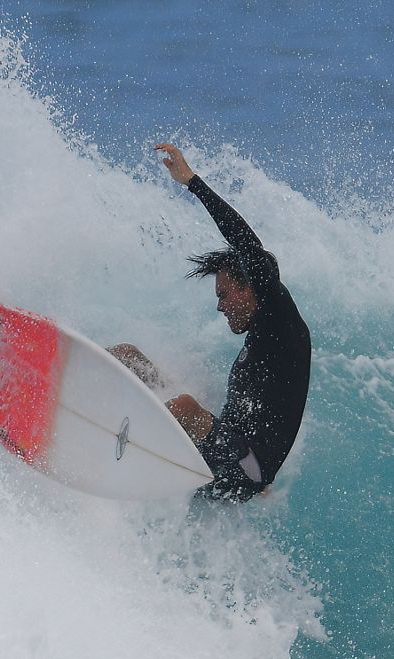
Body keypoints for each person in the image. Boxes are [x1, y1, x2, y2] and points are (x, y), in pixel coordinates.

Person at [108, 143, 311, 502]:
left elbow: (248, 245)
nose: (220, 307)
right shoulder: (261, 338)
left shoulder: (281, 323)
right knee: (128, 356)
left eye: (223, 295)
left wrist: (191, 182)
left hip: (247, 473)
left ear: (252, 288)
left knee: (186, 407)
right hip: (227, 455)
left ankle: (111, 449)